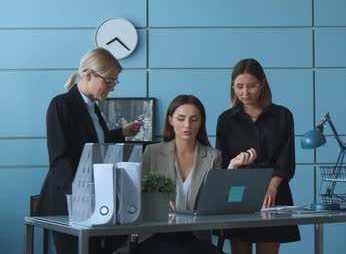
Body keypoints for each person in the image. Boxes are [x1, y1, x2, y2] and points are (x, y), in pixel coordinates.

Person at [36, 47, 144, 254]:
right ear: (89, 75)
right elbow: (60, 158)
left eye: (115, 81)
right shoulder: (61, 104)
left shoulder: (92, 108)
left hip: (92, 199)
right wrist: (80, 197)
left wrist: (121, 132)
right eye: (109, 80)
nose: (112, 87)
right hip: (68, 201)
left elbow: (92, 144)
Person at [138, 94, 257, 254]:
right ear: (171, 120)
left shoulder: (213, 156)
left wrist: (232, 168)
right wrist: (156, 203)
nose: (187, 125)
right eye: (181, 118)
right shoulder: (153, 152)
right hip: (156, 235)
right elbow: (138, 194)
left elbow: (216, 202)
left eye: (194, 119)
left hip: (194, 236)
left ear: (201, 122)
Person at [216, 58, 301, 254]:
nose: (245, 93)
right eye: (239, 87)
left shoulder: (283, 115)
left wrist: (271, 186)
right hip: (238, 194)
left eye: (251, 86)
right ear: (232, 86)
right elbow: (222, 164)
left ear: (262, 83)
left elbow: (286, 159)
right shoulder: (226, 120)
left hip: (274, 192)